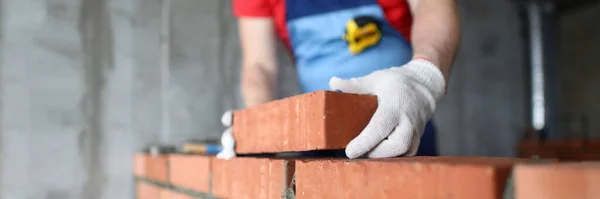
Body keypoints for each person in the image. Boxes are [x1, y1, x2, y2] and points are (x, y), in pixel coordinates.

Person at [217, 0, 460, 159]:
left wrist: (424, 75)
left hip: (403, 118)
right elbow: (260, 66)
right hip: (317, 142)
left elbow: (432, 5)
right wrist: (258, 126)